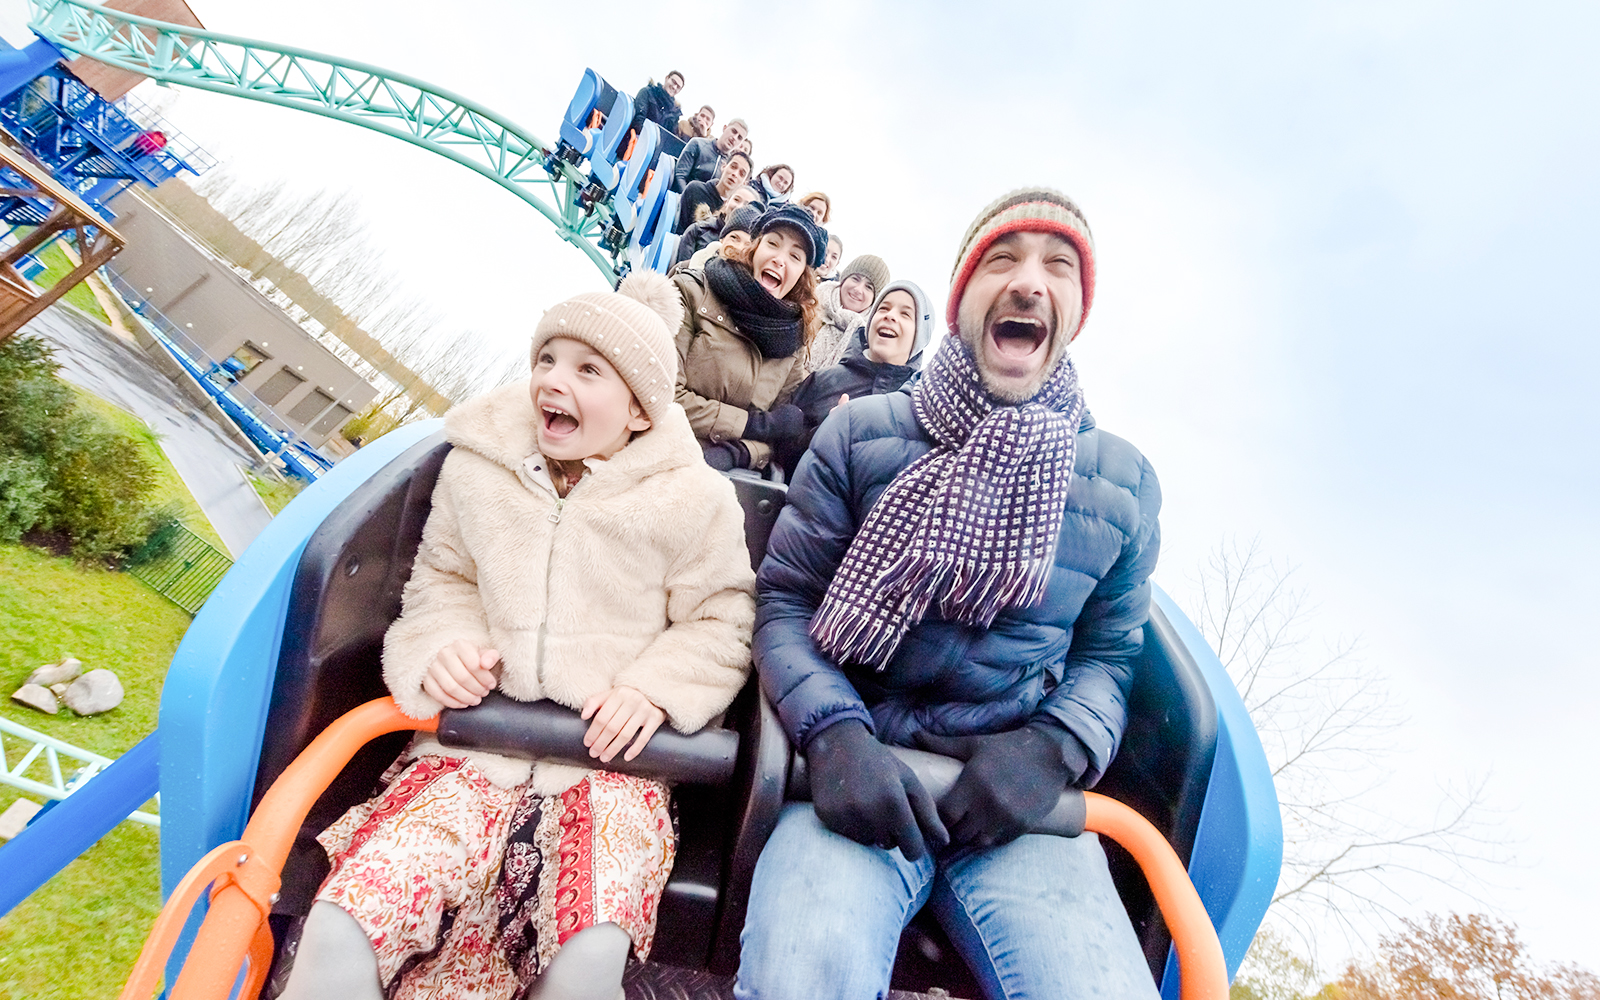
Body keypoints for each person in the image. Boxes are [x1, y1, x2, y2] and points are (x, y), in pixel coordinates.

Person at [278, 274, 757, 1000]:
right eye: (546, 359)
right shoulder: (478, 470)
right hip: (470, 750)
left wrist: (652, 692)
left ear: (636, 410)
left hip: (607, 772)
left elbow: (721, 620)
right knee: (349, 918)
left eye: (587, 370)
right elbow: (442, 581)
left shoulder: (694, 501)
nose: (552, 382)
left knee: (588, 953)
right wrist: (442, 649)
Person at [736, 188, 1163, 1000]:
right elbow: (787, 603)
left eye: (1058, 267)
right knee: (802, 973)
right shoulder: (860, 434)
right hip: (859, 781)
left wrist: (1053, 749)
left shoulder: (1124, 483)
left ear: (1074, 310)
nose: (1030, 282)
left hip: (1016, 810)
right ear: (964, 298)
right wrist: (832, 734)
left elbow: (1109, 657)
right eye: (1003, 260)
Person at [671, 204, 827, 473]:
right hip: (663, 453)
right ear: (754, 249)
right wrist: (750, 426)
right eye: (773, 244)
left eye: (795, 256)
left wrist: (741, 452)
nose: (780, 259)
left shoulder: (793, 343)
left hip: (727, 482)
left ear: (802, 275)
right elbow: (665, 394)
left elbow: (780, 436)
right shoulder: (692, 291)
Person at [774, 279, 932, 473]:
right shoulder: (822, 381)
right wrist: (823, 435)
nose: (890, 316)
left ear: (920, 336)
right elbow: (778, 453)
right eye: (883, 308)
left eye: (905, 314)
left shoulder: (920, 411)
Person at [807, 253, 889, 373]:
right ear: (844, 280)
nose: (858, 289)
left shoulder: (867, 342)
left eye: (869, 287)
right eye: (855, 279)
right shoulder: (810, 302)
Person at [675, 151, 754, 232]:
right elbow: (678, 227)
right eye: (733, 167)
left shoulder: (736, 209)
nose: (735, 174)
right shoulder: (695, 189)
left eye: (742, 174)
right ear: (723, 166)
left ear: (744, 183)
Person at [675, 202, 762, 270]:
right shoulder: (686, 268)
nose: (739, 247)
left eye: (748, 245)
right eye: (734, 238)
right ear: (722, 239)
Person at [673, 119, 748, 192]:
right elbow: (680, 176)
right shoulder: (697, 144)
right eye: (734, 131)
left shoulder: (730, 165)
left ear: (740, 143)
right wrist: (687, 200)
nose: (734, 138)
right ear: (725, 128)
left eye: (739, 137)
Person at [629, 70, 683, 138]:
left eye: (678, 87)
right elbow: (639, 119)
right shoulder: (647, 92)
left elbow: (671, 139)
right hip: (637, 140)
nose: (674, 87)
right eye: (673, 82)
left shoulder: (675, 113)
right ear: (666, 78)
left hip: (657, 147)